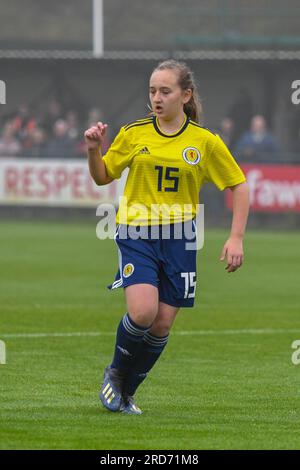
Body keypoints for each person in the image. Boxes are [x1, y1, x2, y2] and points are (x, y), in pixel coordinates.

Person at [84, 60, 249, 415]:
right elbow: (102, 177)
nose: (156, 98)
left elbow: (239, 184)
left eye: (165, 91)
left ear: (185, 95)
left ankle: (127, 392)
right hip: (137, 232)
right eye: (152, 91)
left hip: (181, 238)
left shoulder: (204, 142)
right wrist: (94, 149)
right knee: (143, 312)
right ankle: (114, 373)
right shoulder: (134, 133)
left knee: (161, 323)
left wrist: (236, 237)